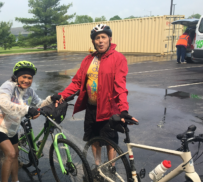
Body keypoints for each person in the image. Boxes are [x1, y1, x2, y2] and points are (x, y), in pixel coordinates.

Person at [52, 24, 138, 171]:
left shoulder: (118, 58)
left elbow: (120, 86)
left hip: (109, 109)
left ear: (109, 39)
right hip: (92, 108)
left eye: (103, 37)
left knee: (110, 141)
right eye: (97, 38)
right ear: (93, 41)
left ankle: (111, 166)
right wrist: (63, 95)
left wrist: (123, 109)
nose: (100, 41)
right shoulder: (88, 60)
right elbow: (77, 82)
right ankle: (97, 166)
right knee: (93, 139)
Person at [0, 61, 57, 182]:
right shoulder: (8, 86)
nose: (26, 80)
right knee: (10, 154)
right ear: (16, 76)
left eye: (29, 78)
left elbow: (38, 104)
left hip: (12, 127)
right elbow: (4, 104)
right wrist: (26, 110)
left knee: (16, 155)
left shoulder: (29, 91)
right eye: (23, 77)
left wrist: (50, 99)